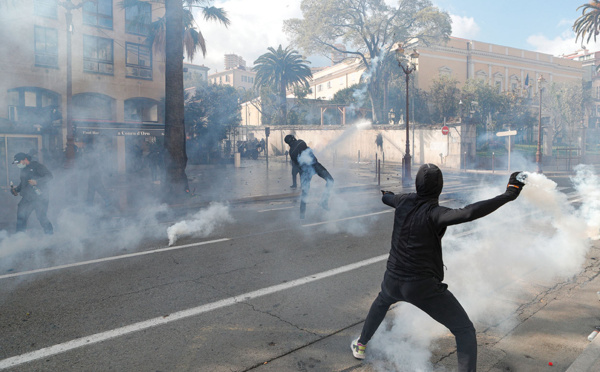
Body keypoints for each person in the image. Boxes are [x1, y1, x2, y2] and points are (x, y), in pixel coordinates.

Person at [351, 164, 526, 372]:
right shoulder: (435, 213)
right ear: (439, 188)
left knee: (381, 302)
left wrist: (386, 194)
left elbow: (387, 198)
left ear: (417, 185)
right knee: (464, 330)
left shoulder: (403, 201)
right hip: (421, 286)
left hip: (392, 278)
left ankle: (361, 344)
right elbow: (468, 212)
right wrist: (509, 194)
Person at [284, 134, 334, 218]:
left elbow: (297, 164)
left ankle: (302, 215)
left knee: (305, 193)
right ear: (293, 138)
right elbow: (308, 151)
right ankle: (324, 201)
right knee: (330, 181)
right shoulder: (300, 142)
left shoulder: (291, 152)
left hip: (305, 171)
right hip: (315, 165)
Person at [11, 152, 54, 234]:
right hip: (27, 198)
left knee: (41, 217)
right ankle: (19, 237)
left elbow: (49, 176)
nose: (18, 165)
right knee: (21, 217)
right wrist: (16, 190)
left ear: (25, 159)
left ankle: (50, 235)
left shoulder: (37, 166)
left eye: (19, 162)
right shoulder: (23, 169)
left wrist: (37, 182)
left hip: (40, 198)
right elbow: (23, 183)